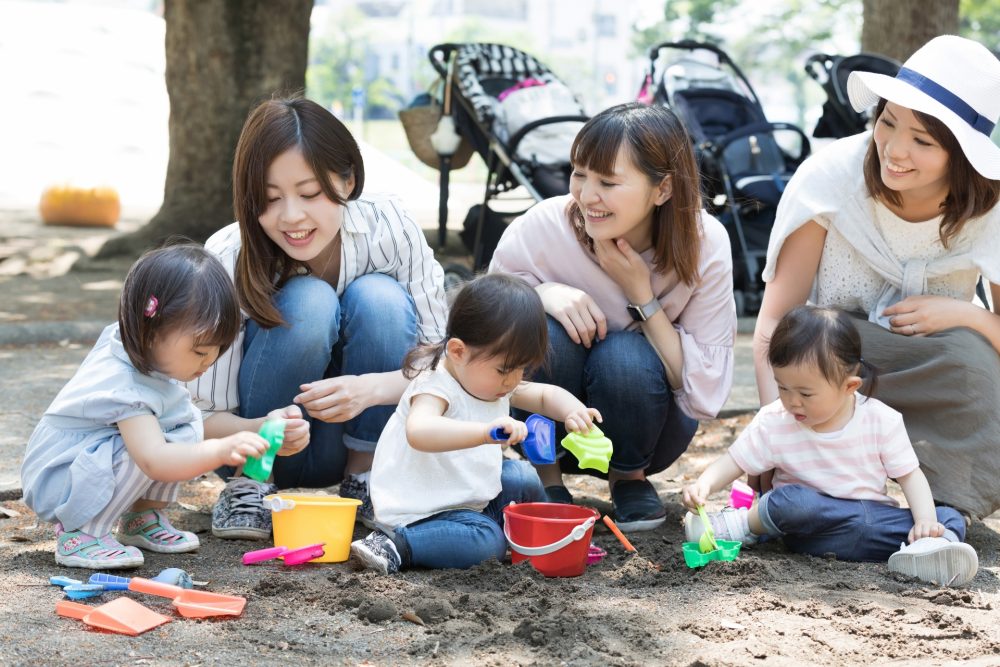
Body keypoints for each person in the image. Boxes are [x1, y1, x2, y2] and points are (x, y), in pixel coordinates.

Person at [754, 35, 1000, 520]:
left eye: (923, 141)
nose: (895, 150)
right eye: (887, 122)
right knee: (814, 340)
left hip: (931, 367)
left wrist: (964, 314)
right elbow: (777, 322)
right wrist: (772, 432)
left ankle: (946, 511)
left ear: (961, 154)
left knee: (974, 358)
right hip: (834, 367)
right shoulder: (830, 178)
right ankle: (825, 495)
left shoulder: (990, 208)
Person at [189, 97, 449, 539]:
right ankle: (250, 485)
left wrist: (372, 389)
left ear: (348, 180)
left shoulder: (390, 228)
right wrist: (262, 430)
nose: (292, 216)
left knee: (380, 296)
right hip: (255, 445)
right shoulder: (228, 255)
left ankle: (366, 477)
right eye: (270, 199)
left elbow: (444, 365)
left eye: (309, 194)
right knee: (310, 300)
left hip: (357, 439)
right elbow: (198, 413)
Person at [489, 102, 736, 532]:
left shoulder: (704, 244)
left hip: (650, 428)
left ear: (663, 189)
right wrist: (542, 293)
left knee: (624, 354)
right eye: (579, 174)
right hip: (546, 424)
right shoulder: (544, 227)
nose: (587, 196)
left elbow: (699, 389)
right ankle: (547, 481)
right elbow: (486, 325)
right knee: (542, 327)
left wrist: (642, 294)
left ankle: (629, 480)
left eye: (607, 181)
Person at [20, 245, 305, 569]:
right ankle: (81, 534)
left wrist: (259, 427)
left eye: (217, 351)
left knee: (183, 424)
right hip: (60, 476)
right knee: (147, 446)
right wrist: (220, 451)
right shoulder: (126, 388)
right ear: (151, 330)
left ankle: (140, 517)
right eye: (200, 352)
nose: (209, 362)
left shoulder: (145, 354)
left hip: (84, 465)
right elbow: (154, 461)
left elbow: (192, 425)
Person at [683, 306, 978, 587]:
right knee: (792, 502)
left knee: (947, 516)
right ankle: (736, 525)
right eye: (782, 387)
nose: (792, 401)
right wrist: (704, 485)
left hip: (873, 523)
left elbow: (910, 476)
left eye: (805, 393)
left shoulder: (881, 420)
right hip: (809, 528)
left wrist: (925, 523)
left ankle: (930, 550)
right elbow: (735, 460)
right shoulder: (775, 421)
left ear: (849, 386)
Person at [350, 273, 602, 574]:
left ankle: (552, 539)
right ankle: (395, 544)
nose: (513, 380)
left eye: (522, 369)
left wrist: (573, 411)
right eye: (505, 370)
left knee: (523, 477)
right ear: (458, 351)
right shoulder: (435, 385)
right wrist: (485, 433)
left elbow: (546, 396)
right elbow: (419, 431)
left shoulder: (490, 381)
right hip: (422, 512)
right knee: (486, 542)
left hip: (464, 497)